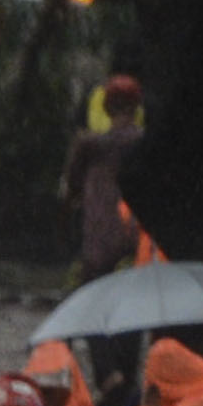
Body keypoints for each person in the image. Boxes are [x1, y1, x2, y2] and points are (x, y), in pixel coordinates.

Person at [61, 76, 147, 280]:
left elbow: (71, 191)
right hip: (139, 245)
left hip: (99, 248)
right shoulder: (148, 143)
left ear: (106, 107)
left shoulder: (89, 145)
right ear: (137, 107)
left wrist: (64, 230)